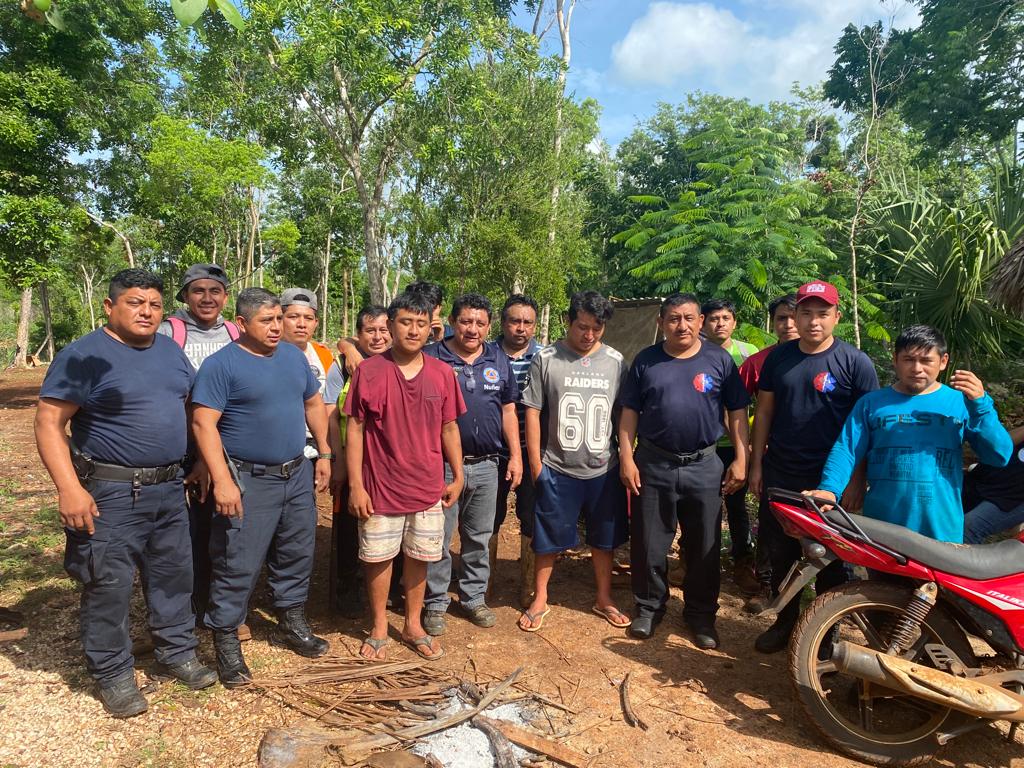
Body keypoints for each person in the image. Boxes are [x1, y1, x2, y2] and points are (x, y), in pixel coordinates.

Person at [35, 268, 216, 718]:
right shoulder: (84, 355)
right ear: (110, 306)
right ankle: (113, 673)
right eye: (135, 302)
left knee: (174, 575)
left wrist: (198, 460)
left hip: (169, 488)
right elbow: (48, 423)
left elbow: (190, 409)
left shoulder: (170, 353)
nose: (146, 311)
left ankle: (176, 652)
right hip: (111, 491)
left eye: (154, 304)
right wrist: (69, 489)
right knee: (108, 585)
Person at [191, 288, 332, 688]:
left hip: (296, 473)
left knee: (295, 553)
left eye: (279, 319)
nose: (277, 327)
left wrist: (324, 453)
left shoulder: (292, 356)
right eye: (266, 321)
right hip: (249, 480)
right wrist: (222, 480)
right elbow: (203, 424)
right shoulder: (222, 366)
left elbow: (313, 404)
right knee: (237, 561)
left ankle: (291, 621)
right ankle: (227, 643)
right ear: (241, 324)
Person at [748, 280, 879, 654]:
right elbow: (766, 413)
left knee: (832, 559)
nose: (813, 321)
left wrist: (857, 480)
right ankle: (785, 623)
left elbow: (867, 428)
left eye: (822, 313)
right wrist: (757, 466)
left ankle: (827, 634)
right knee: (781, 552)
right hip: (781, 472)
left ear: (837, 316)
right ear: (796, 316)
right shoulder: (779, 358)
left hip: (831, 481)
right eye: (806, 313)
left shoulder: (856, 363)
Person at [619, 293, 750, 650]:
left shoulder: (719, 360)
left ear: (700, 321)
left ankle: (701, 614)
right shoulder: (647, 360)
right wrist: (627, 458)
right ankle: (648, 607)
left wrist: (741, 458)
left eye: (690, 318)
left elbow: (737, 412)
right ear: (661, 323)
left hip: (704, 465)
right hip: (654, 463)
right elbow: (629, 412)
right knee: (649, 542)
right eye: (674, 318)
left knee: (704, 544)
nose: (683, 325)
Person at [344, 291, 465, 661]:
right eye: (405, 322)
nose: (413, 330)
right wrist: (356, 485)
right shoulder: (369, 371)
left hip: (427, 486)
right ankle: (379, 625)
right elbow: (355, 428)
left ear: (432, 328)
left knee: (419, 556)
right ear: (392, 324)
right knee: (379, 557)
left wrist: (457, 475)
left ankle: (413, 623)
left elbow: (449, 428)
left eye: (421, 323)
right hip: (380, 488)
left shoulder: (443, 373)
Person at [809, 325, 1012, 543]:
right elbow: (847, 449)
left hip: (941, 531)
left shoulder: (963, 403)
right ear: (895, 359)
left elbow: (999, 456)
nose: (917, 368)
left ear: (943, 361)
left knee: (934, 579)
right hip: (882, 529)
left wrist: (981, 407)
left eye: (926, 360)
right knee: (878, 580)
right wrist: (829, 489)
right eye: (908, 359)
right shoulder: (871, 404)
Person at [518, 291, 630, 633]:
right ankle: (540, 598)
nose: (589, 334)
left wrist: (625, 456)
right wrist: (536, 463)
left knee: (604, 537)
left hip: (603, 468)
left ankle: (604, 598)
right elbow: (533, 411)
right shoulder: (547, 358)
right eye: (582, 326)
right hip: (557, 466)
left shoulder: (615, 361)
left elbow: (624, 414)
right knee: (548, 535)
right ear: (569, 321)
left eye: (597, 328)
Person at [422, 293, 520, 636]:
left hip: (488, 464)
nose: (472, 329)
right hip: (443, 466)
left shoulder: (498, 357)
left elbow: (509, 410)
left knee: (479, 537)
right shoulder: (432, 356)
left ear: (489, 326)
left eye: (480, 323)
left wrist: (516, 455)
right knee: (439, 536)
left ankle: (473, 597)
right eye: (466, 321)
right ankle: (434, 603)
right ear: (452, 322)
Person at [157, 263, 242, 634]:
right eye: (198, 291)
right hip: (178, 448)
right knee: (181, 535)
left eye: (215, 291)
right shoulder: (167, 333)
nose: (207, 298)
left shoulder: (238, 333)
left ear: (225, 296)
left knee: (219, 531)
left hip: (223, 448)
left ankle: (216, 608)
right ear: (185, 296)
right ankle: (184, 610)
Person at [327, 305, 389, 618]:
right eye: (370, 330)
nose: (377, 337)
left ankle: (390, 589)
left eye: (383, 330)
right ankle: (347, 587)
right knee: (350, 527)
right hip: (353, 462)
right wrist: (337, 461)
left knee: (390, 524)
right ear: (359, 334)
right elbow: (330, 414)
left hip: (388, 465)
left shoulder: (400, 362)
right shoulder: (342, 365)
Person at [738, 293, 799, 613]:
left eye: (793, 317)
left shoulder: (838, 359)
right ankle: (767, 586)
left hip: (822, 463)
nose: (788, 324)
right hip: (775, 459)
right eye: (780, 319)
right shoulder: (760, 362)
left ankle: (819, 595)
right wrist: (748, 448)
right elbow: (735, 403)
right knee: (771, 523)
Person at [701, 298, 759, 595]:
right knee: (699, 505)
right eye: (713, 318)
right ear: (703, 322)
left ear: (734, 322)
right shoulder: (695, 352)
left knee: (736, 507)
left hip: (737, 446)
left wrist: (746, 448)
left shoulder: (748, 354)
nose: (720, 323)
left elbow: (760, 403)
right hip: (706, 446)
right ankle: (693, 558)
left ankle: (742, 562)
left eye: (725, 317)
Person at [492, 294, 543, 607]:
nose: (521, 328)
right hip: (491, 451)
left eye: (527, 322)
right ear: (503, 322)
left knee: (531, 516)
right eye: (515, 321)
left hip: (533, 450)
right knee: (488, 518)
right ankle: (482, 582)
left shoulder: (546, 357)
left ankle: (529, 585)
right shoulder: (485, 353)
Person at [963, 425, 1024, 543]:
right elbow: (1002, 444)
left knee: (969, 527)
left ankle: (956, 560)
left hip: (1013, 498)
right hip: (986, 479)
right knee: (938, 512)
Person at [738, 294, 799, 397]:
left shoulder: (826, 358)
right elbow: (733, 402)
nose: (789, 325)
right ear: (771, 323)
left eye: (795, 318)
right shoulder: (756, 362)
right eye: (782, 318)